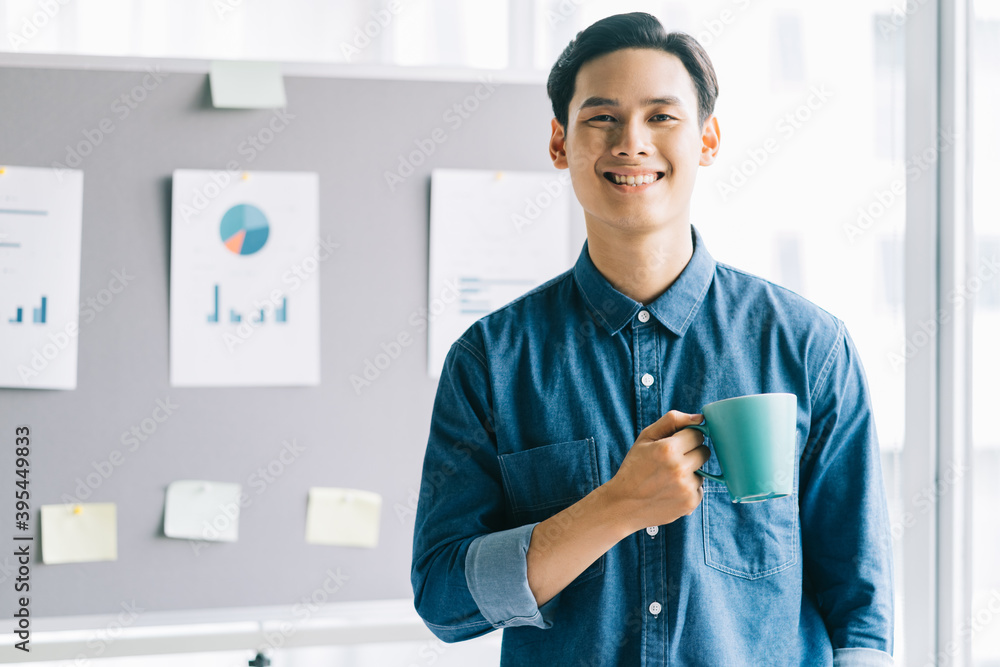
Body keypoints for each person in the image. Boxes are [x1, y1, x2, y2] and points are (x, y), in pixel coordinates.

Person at [410, 11, 894, 666]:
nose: (631, 142)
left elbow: (860, 610)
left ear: (709, 138)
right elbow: (444, 598)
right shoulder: (492, 360)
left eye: (661, 116)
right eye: (601, 118)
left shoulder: (808, 347)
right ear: (560, 142)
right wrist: (614, 506)